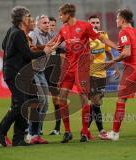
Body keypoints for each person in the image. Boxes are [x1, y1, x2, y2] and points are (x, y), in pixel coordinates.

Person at [50, 3, 119, 143]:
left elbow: (101, 38)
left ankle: (85, 132)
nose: (59, 16)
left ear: (68, 14)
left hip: (81, 69)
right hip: (68, 69)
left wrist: (115, 46)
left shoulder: (85, 26)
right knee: (61, 98)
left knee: (83, 100)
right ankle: (67, 132)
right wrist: (39, 47)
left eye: (61, 14)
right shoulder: (63, 29)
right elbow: (54, 42)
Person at [0, 6, 54, 147]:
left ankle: (18, 139)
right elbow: (28, 55)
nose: (30, 17)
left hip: (17, 73)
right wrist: (45, 51)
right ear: (22, 19)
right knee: (21, 104)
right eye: (28, 15)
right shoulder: (18, 34)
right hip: (16, 73)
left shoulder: (12, 31)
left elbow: (3, 46)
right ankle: (0, 130)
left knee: (29, 102)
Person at [104, 9, 136, 141]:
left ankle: (114, 133)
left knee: (121, 100)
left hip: (133, 70)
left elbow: (126, 53)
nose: (116, 21)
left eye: (117, 18)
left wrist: (112, 61)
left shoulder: (124, 32)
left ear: (122, 20)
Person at [87, 15, 120, 140]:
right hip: (89, 74)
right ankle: (101, 131)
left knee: (95, 104)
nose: (95, 24)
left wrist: (115, 68)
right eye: (93, 22)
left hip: (102, 74)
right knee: (96, 102)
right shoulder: (86, 37)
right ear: (88, 23)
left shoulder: (103, 36)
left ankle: (85, 129)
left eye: (97, 22)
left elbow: (108, 52)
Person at [26, 15, 50, 144]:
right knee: (40, 100)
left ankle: (36, 132)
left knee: (45, 104)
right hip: (32, 71)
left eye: (48, 22)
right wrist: (45, 47)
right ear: (37, 25)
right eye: (44, 23)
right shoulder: (33, 34)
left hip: (41, 72)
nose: (47, 24)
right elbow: (29, 49)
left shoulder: (49, 35)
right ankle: (31, 133)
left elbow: (57, 46)